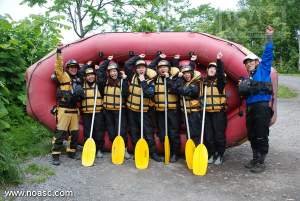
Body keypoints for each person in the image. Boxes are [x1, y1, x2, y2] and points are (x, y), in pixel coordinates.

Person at [240, 26, 274, 173]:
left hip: (262, 107)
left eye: (251, 61)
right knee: (252, 134)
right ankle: (255, 158)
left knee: (261, 134)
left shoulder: (264, 69)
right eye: (247, 62)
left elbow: (267, 54)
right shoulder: (246, 79)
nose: (249, 63)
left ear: (256, 62)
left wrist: (269, 37)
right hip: (251, 109)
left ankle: (261, 162)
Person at [125, 54, 162, 162]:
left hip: (144, 111)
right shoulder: (131, 75)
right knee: (134, 132)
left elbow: (149, 94)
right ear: (136, 69)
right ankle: (138, 151)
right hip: (132, 110)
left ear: (146, 69)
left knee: (148, 133)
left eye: (142, 67)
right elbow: (127, 64)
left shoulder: (150, 80)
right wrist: (137, 57)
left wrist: (142, 81)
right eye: (138, 67)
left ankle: (153, 152)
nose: (141, 69)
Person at [51, 43, 84, 165]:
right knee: (60, 133)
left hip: (75, 110)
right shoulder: (63, 76)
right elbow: (58, 67)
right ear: (67, 68)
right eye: (71, 67)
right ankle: (55, 155)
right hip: (64, 109)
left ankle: (71, 152)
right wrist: (59, 51)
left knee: (74, 133)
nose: (73, 68)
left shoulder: (78, 79)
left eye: (75, 67)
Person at [148, 53, 181, 162]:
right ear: (157, 69)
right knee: (162, 133)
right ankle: (167, 151)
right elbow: (149, 68)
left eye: (165, 67)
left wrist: (169, 79)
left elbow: (176, 90)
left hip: (172, 111)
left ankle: (174, 153)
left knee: (173, 133)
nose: (163, 69)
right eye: (160, 67)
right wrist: (158, 57)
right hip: (160, 111)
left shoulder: (175, 78)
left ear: (169, 68)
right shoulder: (154, 79)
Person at [97, 56, 131, 159]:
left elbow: (125, 94)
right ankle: (115, 147)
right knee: (111, 132)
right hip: (108, 111)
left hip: (120, 110)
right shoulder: (104, 82)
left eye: (114, 71)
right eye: (111, 71)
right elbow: (100, 71)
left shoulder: (122, 81)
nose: (113, 73)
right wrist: (107, 60)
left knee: (121, 131)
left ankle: (124, 149)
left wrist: (124, 81)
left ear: (118, 71)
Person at [202, 52, 227, 165]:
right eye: (210, 68)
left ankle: (220, 154)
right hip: (207, 113)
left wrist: (218, 61)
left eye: (214, 68)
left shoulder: (220, 82)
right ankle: (211, 154)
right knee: (209, 136)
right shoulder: (203, 83)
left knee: (219, 135)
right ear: (207, 70)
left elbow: (221, 74)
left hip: (218, 113)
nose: (212, 69)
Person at [174, 55, 202, 146]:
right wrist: (178, 79)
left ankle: (197, 151)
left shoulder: (196, 83)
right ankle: (191, 151)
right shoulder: (183, 83)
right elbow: (175, 89)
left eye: (188, 73)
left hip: (194, 113)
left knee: (195, 132)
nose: (187, 75)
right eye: (185, 74)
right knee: (188, 132)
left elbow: (190, 92)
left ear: (191, 73)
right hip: (185, 112)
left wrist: (180, 89)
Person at [80, 62, 106, 159]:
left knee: (99, 131)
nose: (90, 77)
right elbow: (80, 73)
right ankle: (90, 149)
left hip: (98, 112)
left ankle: (99, 149)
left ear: (95, 76)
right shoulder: (82, 84)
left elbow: (102, 77)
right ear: (85, 77)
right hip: (87, 113)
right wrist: (87, 65)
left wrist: (98, 70)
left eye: (92, 75)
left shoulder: (99, 85)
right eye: (88, 76)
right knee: (87, 132)